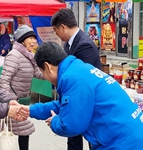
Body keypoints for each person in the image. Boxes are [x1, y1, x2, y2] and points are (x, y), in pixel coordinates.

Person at [19, 41, 143, 150]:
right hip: (136, 137)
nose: (44, 76)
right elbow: (65, 105)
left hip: (125, 143)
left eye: (42, 72)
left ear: (48, 66)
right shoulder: (78, 69)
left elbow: (72, 126)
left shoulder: (72, 78)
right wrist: (29, 110)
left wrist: (55, 122)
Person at [0, 25, 42, 150]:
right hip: (13, 102)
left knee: (23, 131)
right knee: (24, 130)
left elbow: (38, 73)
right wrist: (11, 101)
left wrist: (55, 73)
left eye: (34, 38)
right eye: (30, 38)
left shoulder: (29, 55)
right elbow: (4, 81)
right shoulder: (14, 56)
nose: (33, 42)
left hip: (19, 102)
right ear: (22, 40)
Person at [51, 8, 101, 150]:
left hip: (87, 99)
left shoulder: (85, 45)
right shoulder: (68, 44)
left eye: (55, 29)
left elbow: (84, 80)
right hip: (73, 99)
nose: (56, 33)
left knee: (93, 138)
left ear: (63, 27)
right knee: (73, 139)